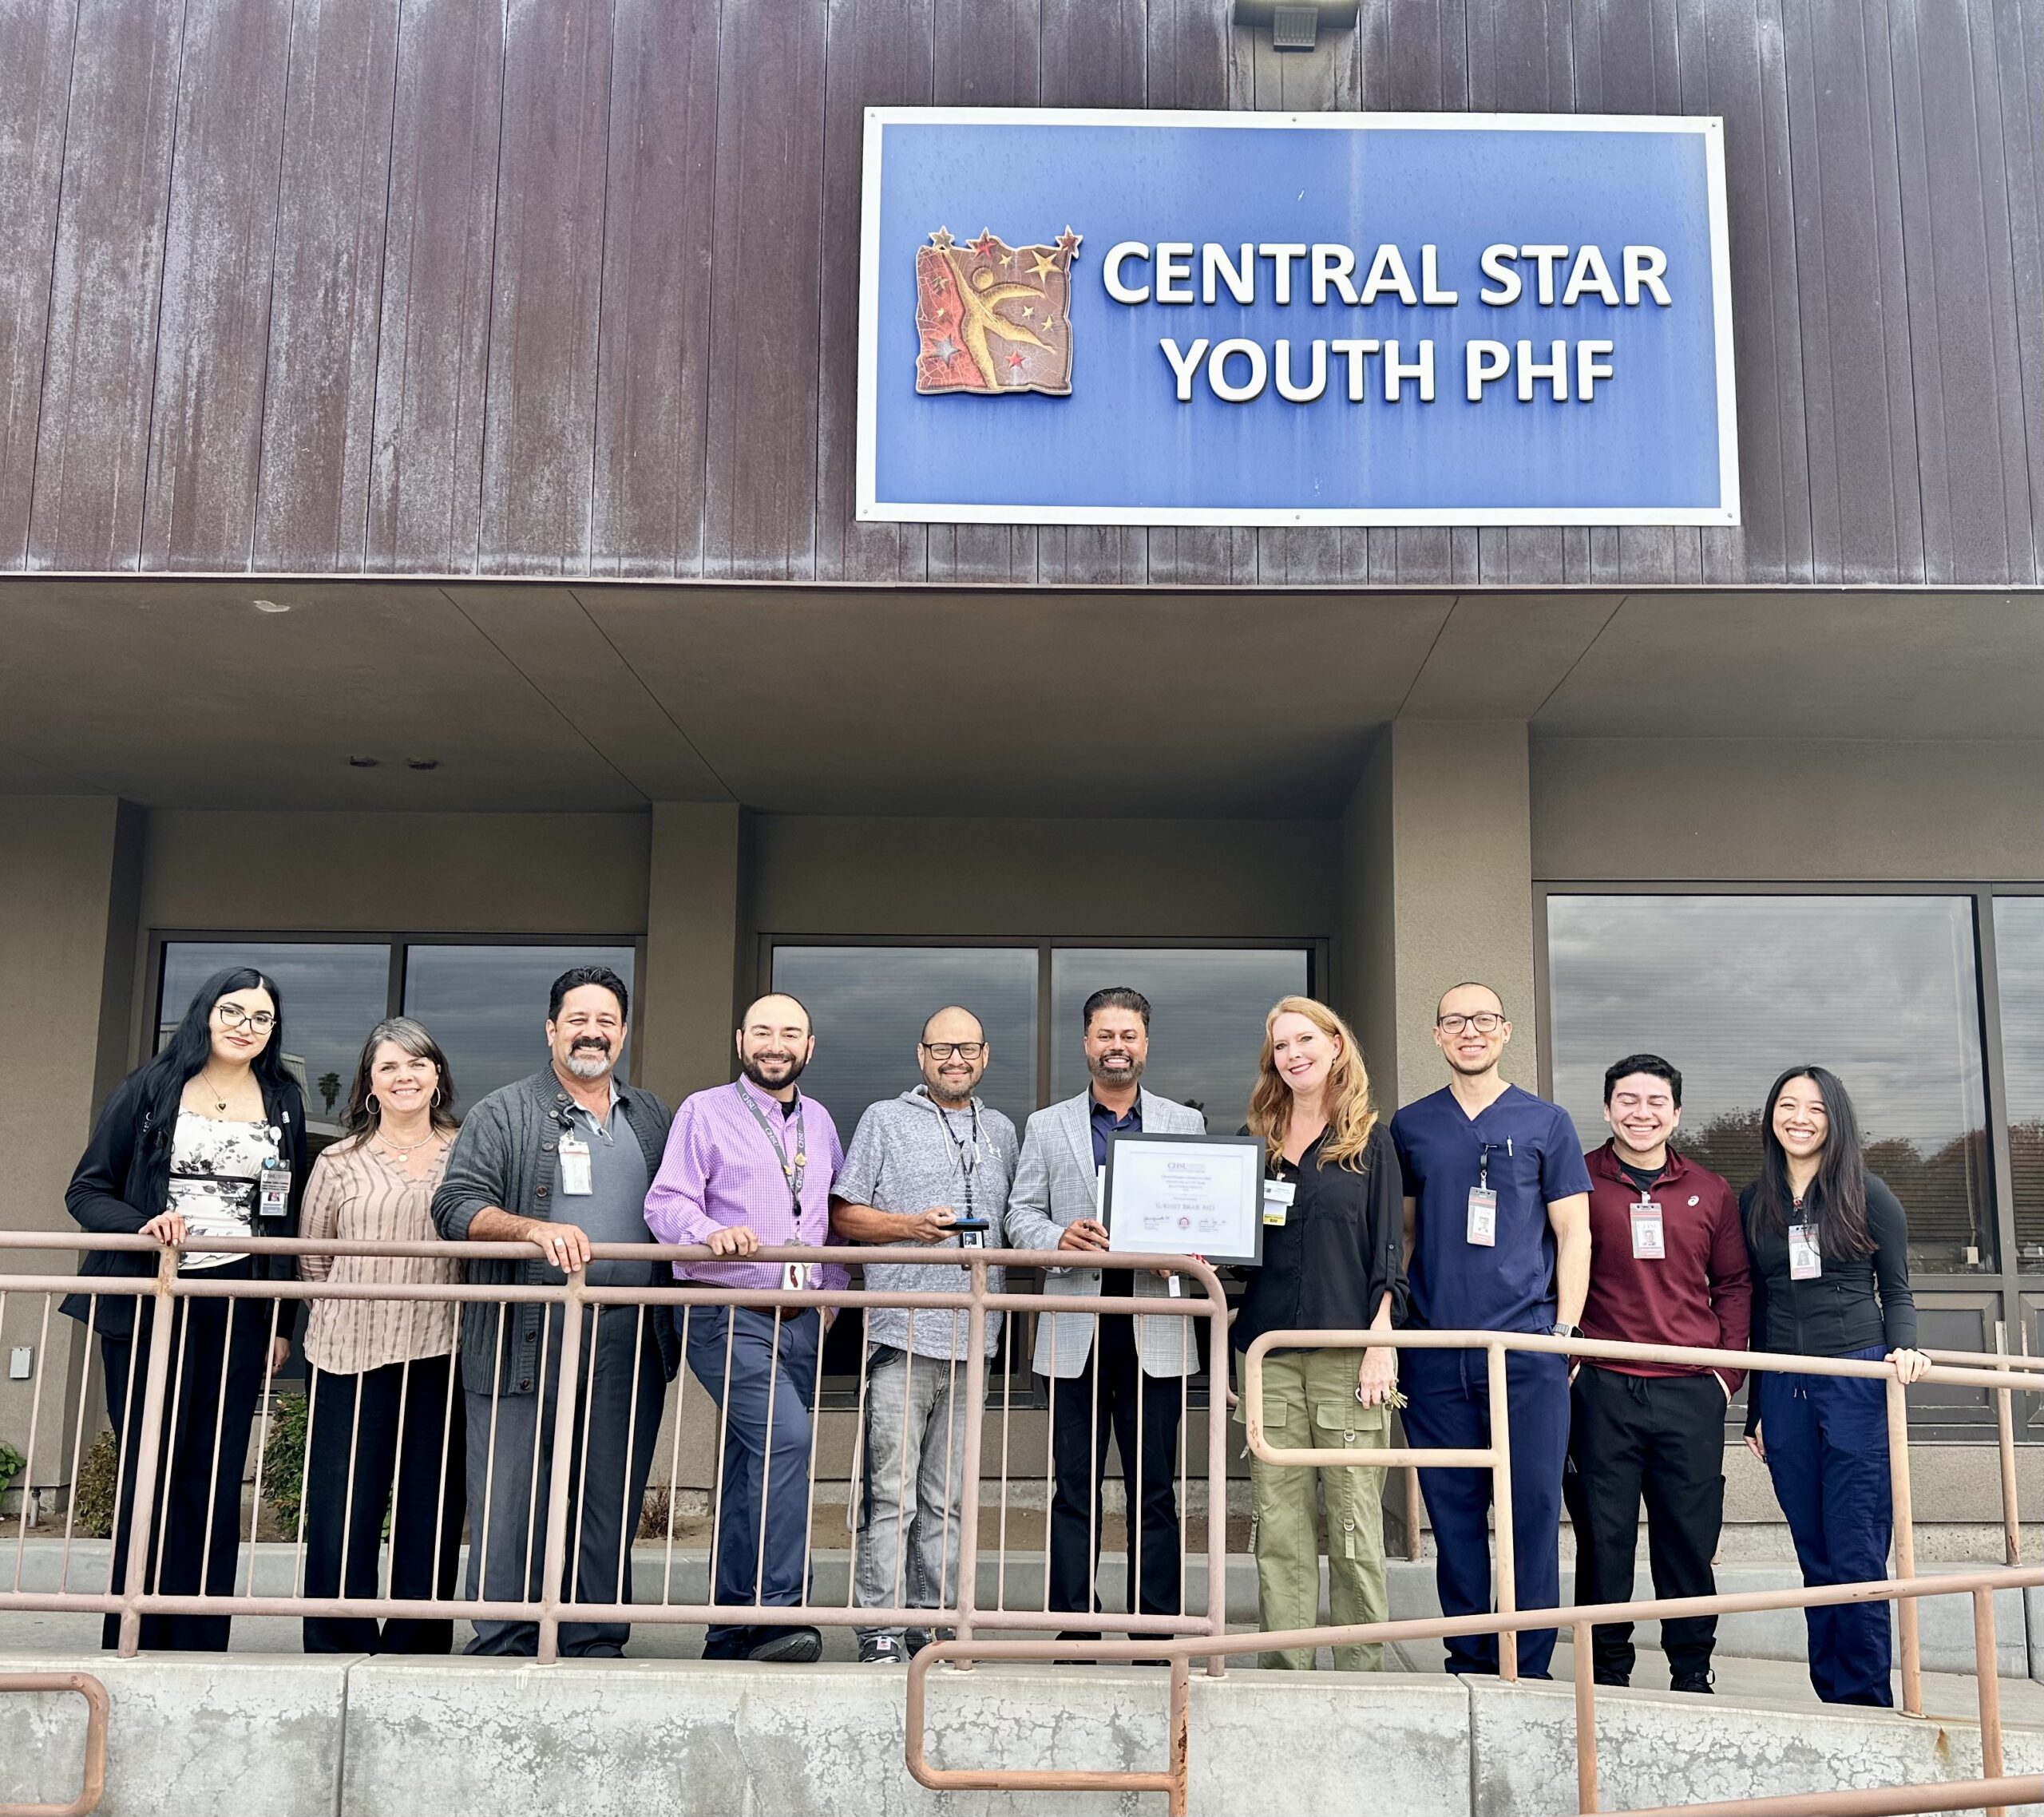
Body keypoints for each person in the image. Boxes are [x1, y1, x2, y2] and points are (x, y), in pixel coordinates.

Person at [431, 965, 679, 1658]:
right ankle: (506, 1636)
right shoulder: (504, 1111)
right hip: (523, 1334)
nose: (592, 1033)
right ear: (551, 1029)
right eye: (577, 1019)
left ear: (623, 1033)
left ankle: (594, 1635)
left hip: (629, 1339)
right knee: (510, 1493)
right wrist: (531, 1231)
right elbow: (453, 1207)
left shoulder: (651, 1116)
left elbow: (684, 1206)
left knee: (609, 1492)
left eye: (606, 1021)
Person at [62, 966, 305, 1650]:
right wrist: (145, 1223)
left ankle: (199, 1637)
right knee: (152, 1464)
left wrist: (280, 1316)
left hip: (235, 1306)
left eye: (261, 1018)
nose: (245, 1027)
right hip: (150, 1302)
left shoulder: (283, 1098)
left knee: (216, 1468)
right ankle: (135, 1627)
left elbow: (280, 1218)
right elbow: (86, 1191)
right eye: (233, 1011)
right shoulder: (150, 1087)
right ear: (205, 1013)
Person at [1389, 981, 1591, 1680]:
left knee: (1532, 1510)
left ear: (1505, 1032)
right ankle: (1470, 1660)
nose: (1469, 1032)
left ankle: (1528, 1665)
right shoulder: (1411, 1126)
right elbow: (1405, 1239)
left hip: (1527, 1349)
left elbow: (1574, 1234)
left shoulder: (1547, 1123)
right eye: (1454, 1022)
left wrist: (1564, 1329)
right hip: (1436, 1350)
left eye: (1483, 1020)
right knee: (1453, 1513)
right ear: (1437, 1036)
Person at [644, 992, 849, 1665]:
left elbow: (828, 1216)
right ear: (741, 1041)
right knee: (787, 1439)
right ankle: (778, 1614)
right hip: (726, 1312)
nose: (775, 1044)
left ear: (810, 1048)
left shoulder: (819, 1122)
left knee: (749, 1468)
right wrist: (710, 1233)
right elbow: (666, 1201)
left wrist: (828, 1301)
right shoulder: (704, 1111)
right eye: (762, 1031)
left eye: (790, 1033)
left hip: (799, 1322)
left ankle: (729, 1629)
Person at [1005, 986, 1205, 1642]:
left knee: (1155, 1490)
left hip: (1156, 1328)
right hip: (1074, 1326)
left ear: (1145, 1043)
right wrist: (1056, 1239)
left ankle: (1155, 1627)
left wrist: (1185, 1251)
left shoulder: (1184, 1124)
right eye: (1104, 1035)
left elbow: (1201, 1220)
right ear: (1086, 1042)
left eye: (1129, 1036)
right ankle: (1074, 1624)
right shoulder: (1046, 1125)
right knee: (1073, 1488)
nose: (1117, 1046)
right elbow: (1019, 1216)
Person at [830, 1005, 1020, 1665]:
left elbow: (1016, 1220)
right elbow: (844, 1216)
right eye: (942, 1048)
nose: (955, 1059)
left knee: (949, 1500)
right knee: (893, 1496)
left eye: (967, 1048)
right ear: (921, 1056)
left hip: (977, 1341)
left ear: (985, 1056)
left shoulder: (1001, 1130)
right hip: (901, 1337)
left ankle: (935, 1626)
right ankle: (878, 1626)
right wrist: (910, 1227)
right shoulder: (883, 1119)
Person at [1741, 1065, 1929, 1707]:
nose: (1799, 1118)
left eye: (1815, 1108)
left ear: (1835, 1118)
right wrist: (1754, 1409)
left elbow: (1897, 1289)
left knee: (1855, 1549)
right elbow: (1760, 1303)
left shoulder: (1868, 1192)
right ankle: (1834, 1700)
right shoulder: (1755, 1200)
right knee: (1813, 1551)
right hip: (1784, 1386)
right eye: (1787, 1104)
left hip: (1854, 1375)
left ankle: (1868, 1699)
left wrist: (1904, 1349)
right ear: (1771, 1116)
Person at [1564, 1054, 1749, 1692]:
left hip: (1688, 1390)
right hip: (1602, 1387)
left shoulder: (1711, 1189)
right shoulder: (1577, 1177)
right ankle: (1607, 1672)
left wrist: (1725, 1375)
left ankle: (1692, 1669)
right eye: (1627, 1100)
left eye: (1655, 1103)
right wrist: (1569, 1363)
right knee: (1603, 1538)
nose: (1641, 1113)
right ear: (1608, 1107)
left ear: (1675, 1114)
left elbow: (1733, 1283)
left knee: (1687, 1540)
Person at [1233, 997, 1406, 1672]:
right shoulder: (1263, 1141)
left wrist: (1380, 1342)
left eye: (1305, 1039)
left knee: (1354, 1518)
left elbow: (1390, 1251)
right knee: (1278, 1523)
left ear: (1336, 1044)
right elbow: (1243, 1251)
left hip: (1346, 1357)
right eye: (1280, 1045)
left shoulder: (1372, 1138)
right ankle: (1286, 1671)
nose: (1293, 1053)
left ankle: (1361, 1671)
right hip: (1268, 1355)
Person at [297, 1017, 465, 1654]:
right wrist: (349, 1307)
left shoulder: (465, 1150)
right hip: (348, 1351)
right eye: (390, 1066)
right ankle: (338, 1638)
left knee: (432, 1503)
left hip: (439, 1345)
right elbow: (314, 1259)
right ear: (370, 1081)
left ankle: (418, 1641)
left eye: (418, 1064)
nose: (405, 1077)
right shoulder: (339, 1161)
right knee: (346, 1503)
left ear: (437, 1076)